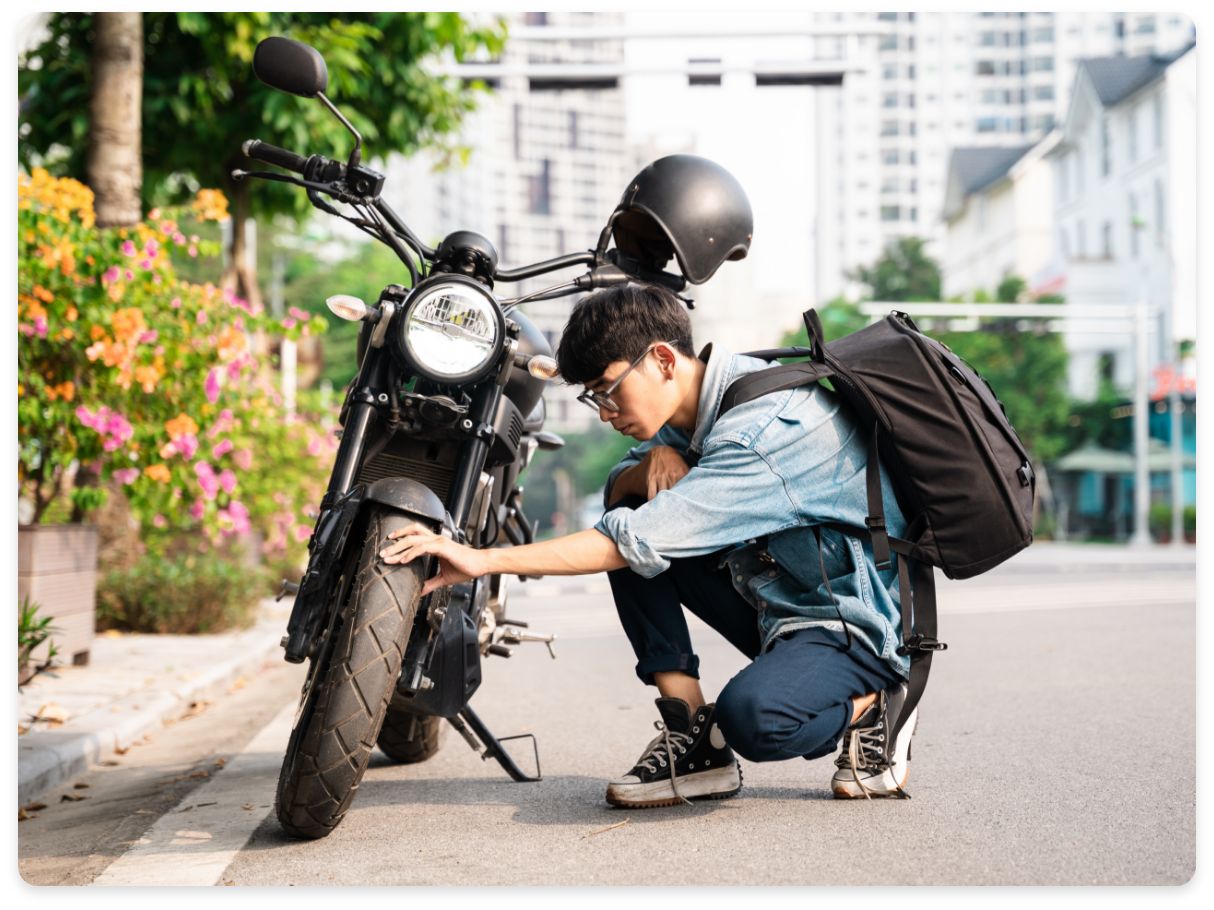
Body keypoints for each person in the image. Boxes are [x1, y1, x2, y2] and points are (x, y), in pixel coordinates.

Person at [379, 282, 918, 807]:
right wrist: (646, 466)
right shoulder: (699, 405)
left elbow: (628, 542)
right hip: (780, 602)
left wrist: (480, 559)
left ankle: (876, 704)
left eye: (609, 391)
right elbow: (621, 494)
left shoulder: (761, 432)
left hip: (852, 621)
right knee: (630, 509)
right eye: (594, 400)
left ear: (662, 360)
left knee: (755, 720)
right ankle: (693, 738)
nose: (606, 414)